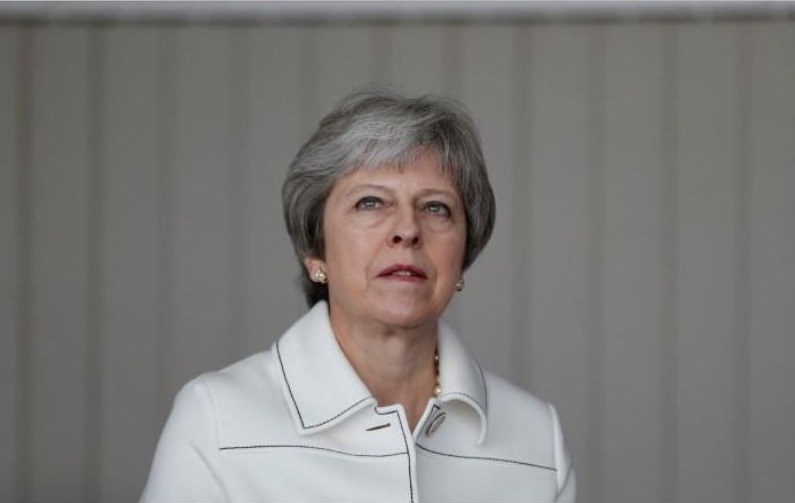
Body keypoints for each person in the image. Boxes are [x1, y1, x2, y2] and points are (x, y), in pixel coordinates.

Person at [141, 86, 576, 502]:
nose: (407, 230)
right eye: (371, 202)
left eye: (436, 207)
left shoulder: (538, 440)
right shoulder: (217, 420)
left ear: (463, 255)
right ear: (315, 251)